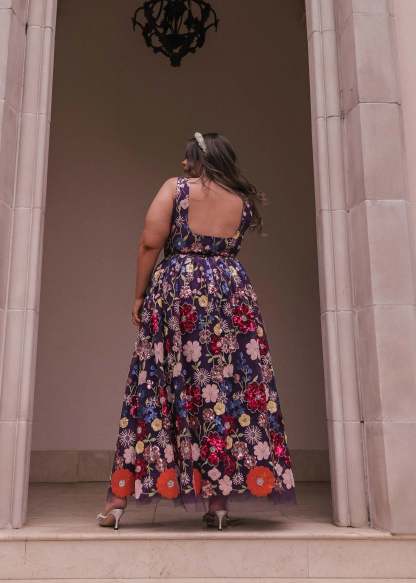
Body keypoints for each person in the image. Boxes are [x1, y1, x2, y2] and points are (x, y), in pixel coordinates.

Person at [96, 132, 296, 531]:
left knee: (154, 385)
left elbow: (149, 244)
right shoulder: (241, 201)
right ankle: (218, 504)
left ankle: (117, 502)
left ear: (201, 160)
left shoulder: (176, 189)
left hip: (180, 291)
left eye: (189, 158)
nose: (183, 164)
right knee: (223, 391)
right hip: (230, 293)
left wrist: (138, 295)